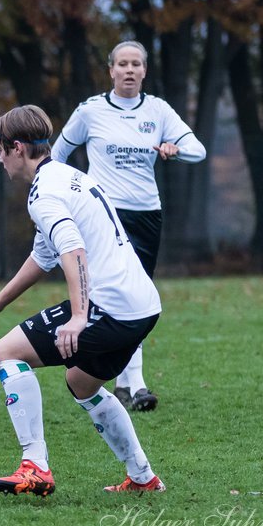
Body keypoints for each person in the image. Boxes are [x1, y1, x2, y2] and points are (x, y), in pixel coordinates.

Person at [0, 105, 165, 497]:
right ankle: (143, 478)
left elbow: (72, 249)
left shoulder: (43, 194)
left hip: (108, 308)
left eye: (0, 150)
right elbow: (44, 255)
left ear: (18, 148)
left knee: (6, 353)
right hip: (143, 306)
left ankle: (35, 466)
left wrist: (78, 317)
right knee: (81, 383)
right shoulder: (65, 175)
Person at [50, 41, 206, 411]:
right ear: (111, 71)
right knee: (111, 298)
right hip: (105, 214)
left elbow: (197, 150)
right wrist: (65, 193)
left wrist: (174, 149)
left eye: (136, 64)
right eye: (123, 64)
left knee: (135, 297)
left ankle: (122, 382)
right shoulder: (90, 111)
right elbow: (57, 154)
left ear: (145, 71)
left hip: (147, 214)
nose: (130, 70)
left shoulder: (158, 110)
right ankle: (133, 384)